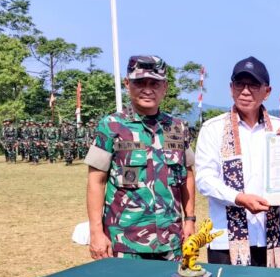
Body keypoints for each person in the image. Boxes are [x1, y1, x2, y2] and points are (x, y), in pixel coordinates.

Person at [84, 55, 196, 260]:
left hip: (172, 241)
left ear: (165, 87)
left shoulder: (177, 128)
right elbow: (96, 181)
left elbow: (187, 175)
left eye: (154, 83)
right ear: (127, 84)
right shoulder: (111, 126)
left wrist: (190, 220)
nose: (147, 89)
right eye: (140, 83)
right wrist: (96, 232)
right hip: (125, 243)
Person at [195, 56, 280, 267]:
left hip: (270, 238)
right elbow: (204, 179)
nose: (245, 91)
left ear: (267, 91)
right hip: (225, 240)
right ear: (231, 88)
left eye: (253, 85)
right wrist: (239, 198)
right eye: (240, 84)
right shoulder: (213, 129)